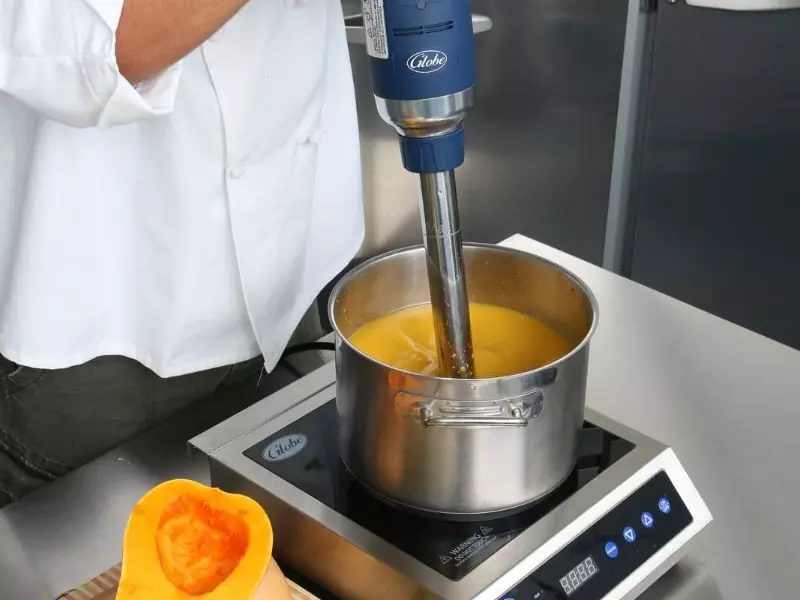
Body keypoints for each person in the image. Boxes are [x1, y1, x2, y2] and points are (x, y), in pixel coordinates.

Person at [0, 0, 364, 507]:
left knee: (284, 530)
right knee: (99, 545)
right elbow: (110, 45)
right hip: (107, 321)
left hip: (293, 265)